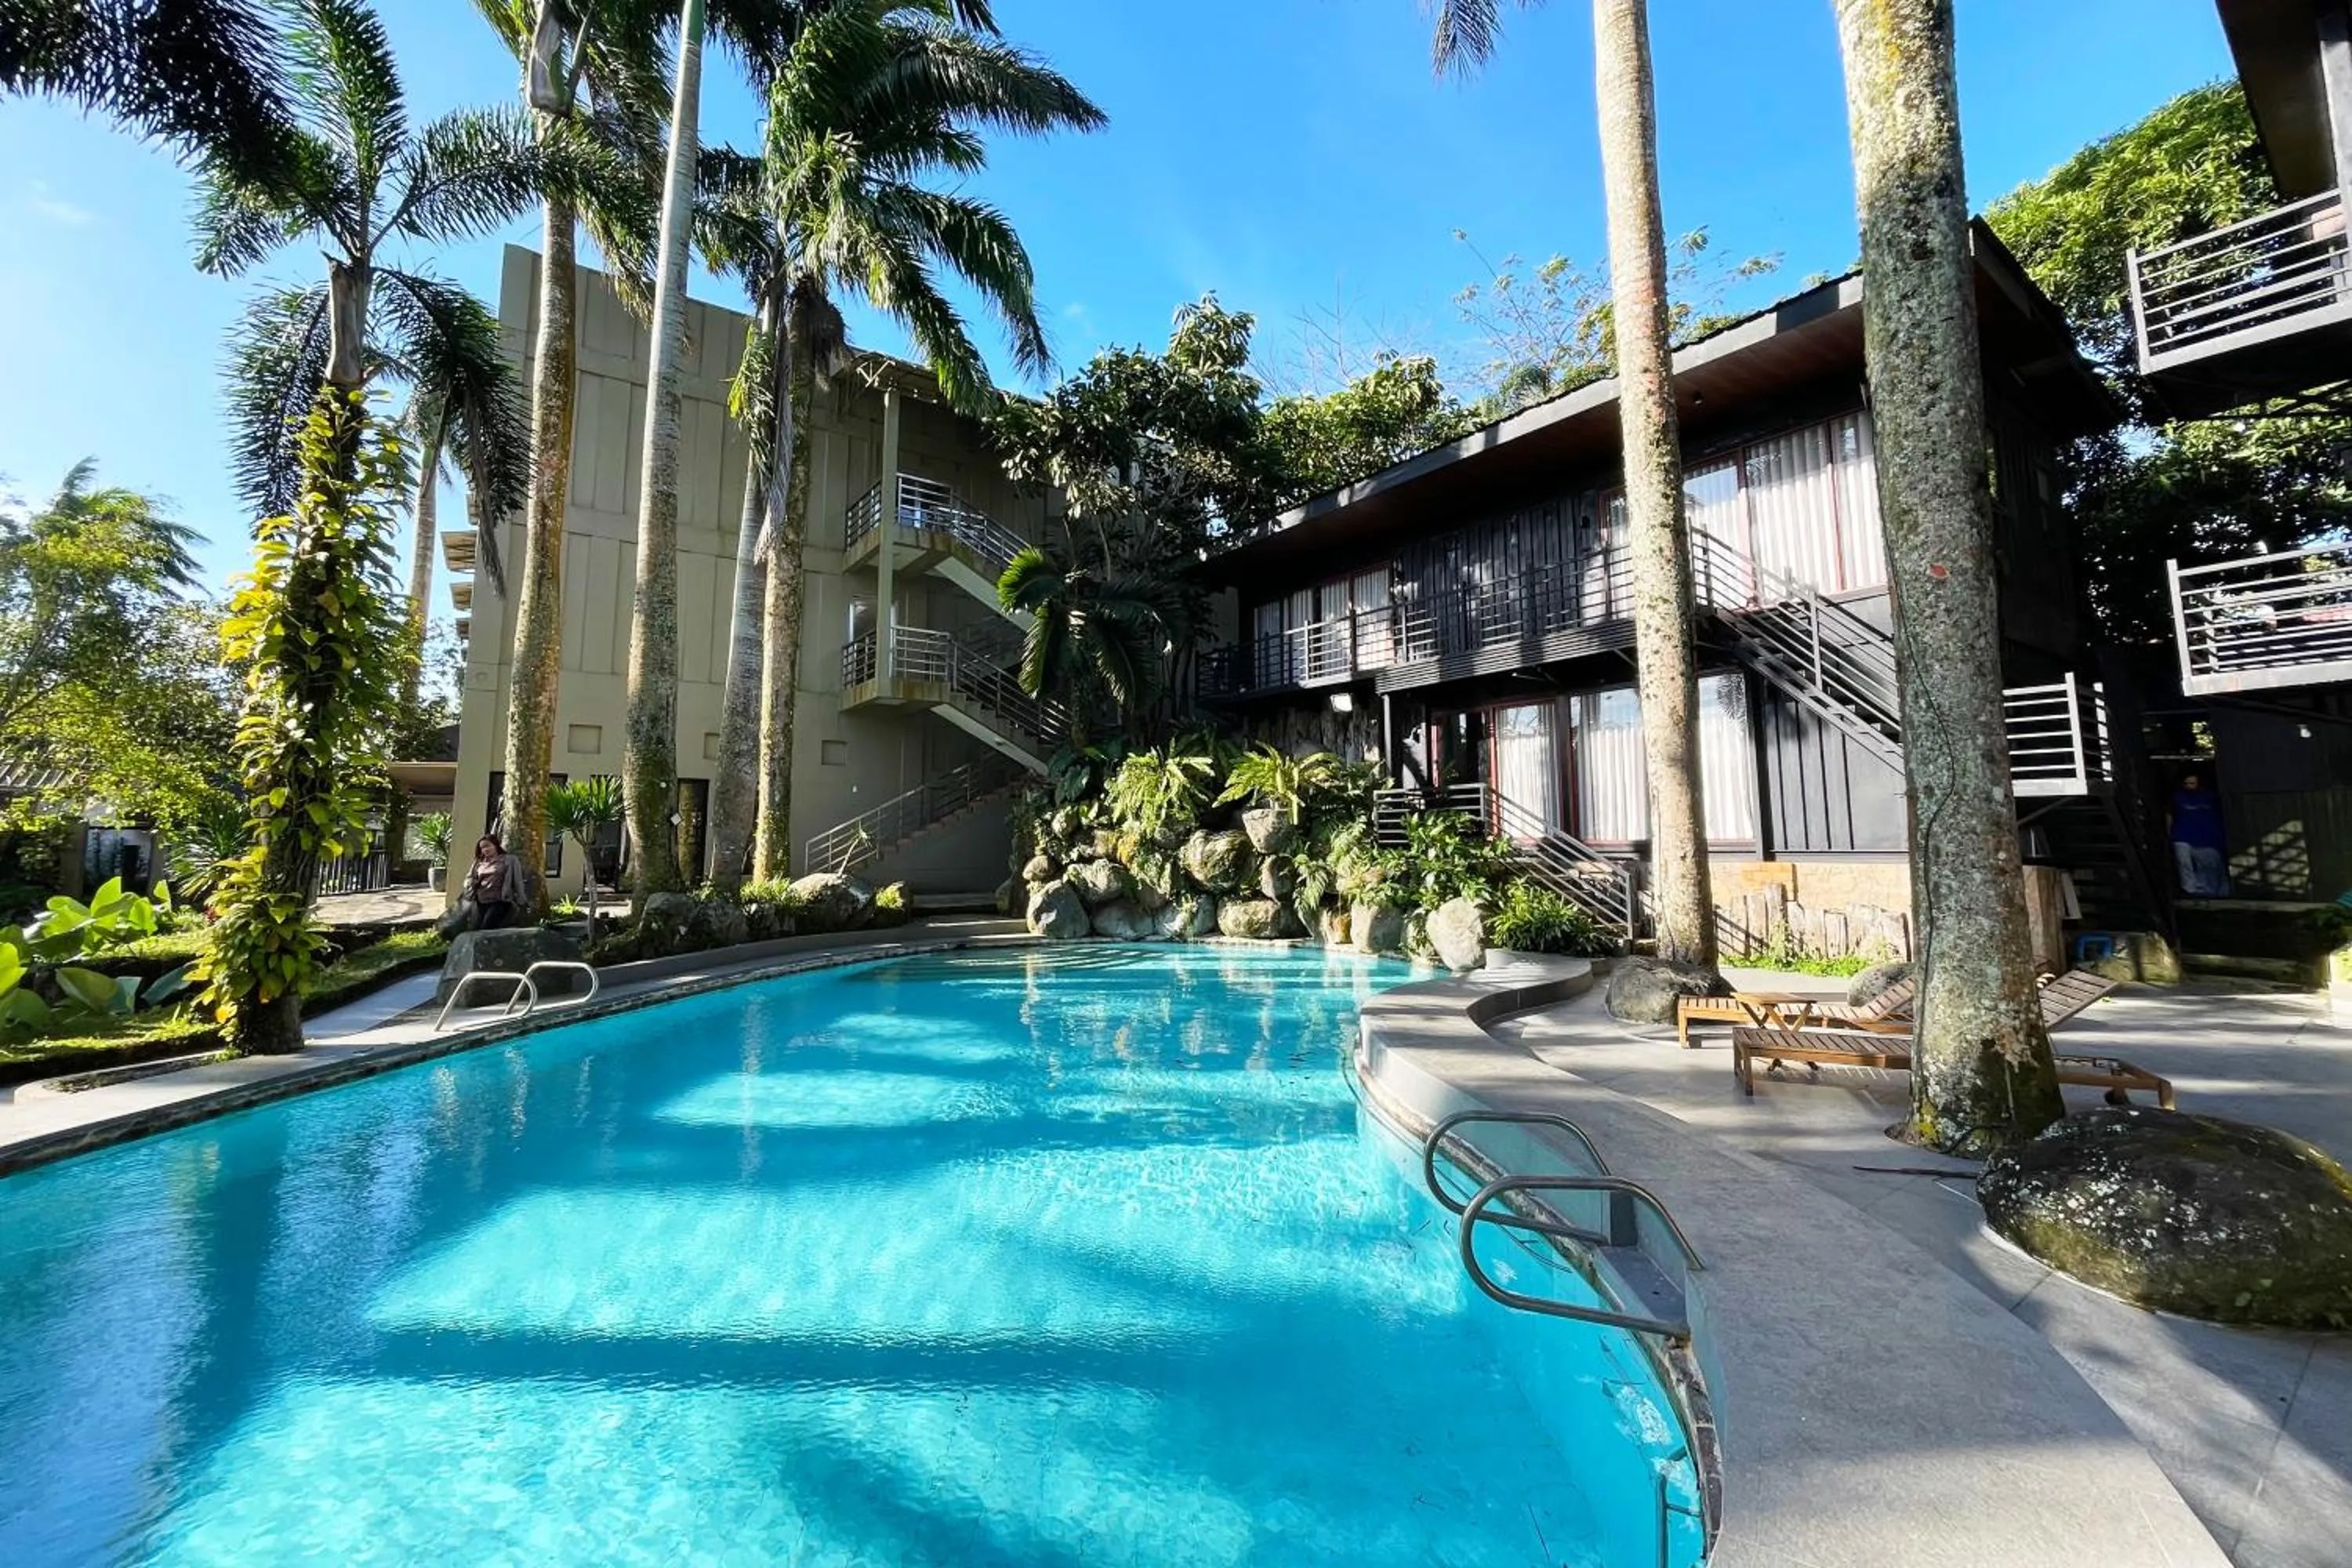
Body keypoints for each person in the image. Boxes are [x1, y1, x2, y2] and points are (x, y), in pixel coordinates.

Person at [2168, 771, 2230, 898]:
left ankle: (2203, 893)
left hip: (2205, 837)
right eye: (2186, 783)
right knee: (2186, 866)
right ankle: (2191, 891)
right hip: (2185, 834)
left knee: (2207, 868)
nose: (2189, 786)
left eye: (2192, 783)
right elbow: (2169, 814)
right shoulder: (2177, 797)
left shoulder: (2209, 796)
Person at [466, 834, 527, 930]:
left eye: (488, 846)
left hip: (500, 900)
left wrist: (522, 900)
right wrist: (471, 884)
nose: (485, 849)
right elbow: (470, 878)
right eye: (482, 848)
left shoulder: (509, 860)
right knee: (477, 928)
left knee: (487, 927)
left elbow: (518, 881)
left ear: (496, 845)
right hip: (481, 900)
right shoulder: (479, 862)